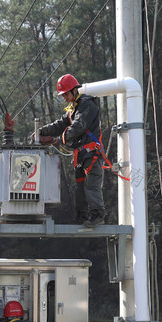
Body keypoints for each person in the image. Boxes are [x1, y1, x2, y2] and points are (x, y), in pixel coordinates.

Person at [36, 73, 106, 228]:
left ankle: (97, 214)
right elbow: (60, 124)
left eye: (66, 94)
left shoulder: (87, 105)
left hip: (91, 153)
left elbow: (78, 126)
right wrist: (41, 131)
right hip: (81, 155)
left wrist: (60, 139)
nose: (65, 98)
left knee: (91, 184)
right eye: (63, 95)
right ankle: (82, 216)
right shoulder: (73, 109)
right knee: (79, 187)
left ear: (75, 90)